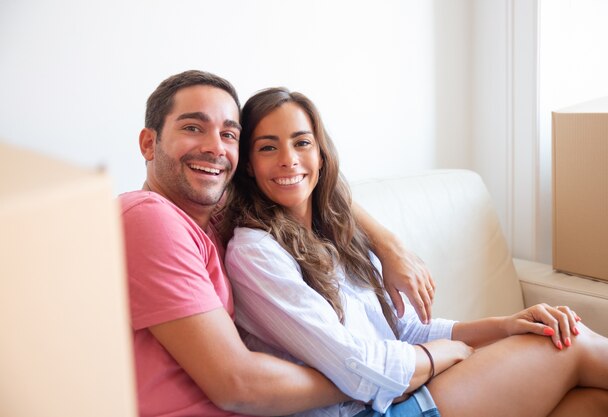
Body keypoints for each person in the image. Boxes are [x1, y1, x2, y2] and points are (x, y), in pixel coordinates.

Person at [223, 87, 608, 417]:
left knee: (599, 404)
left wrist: (506, 325)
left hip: (408, 390)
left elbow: (406, 330)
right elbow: (358, 370)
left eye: (301, 142)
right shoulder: (255, 252)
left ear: (322, 154)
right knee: (569, 343)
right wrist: (441, 356)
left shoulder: (339, 234)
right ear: (249, 166)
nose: (289, 159)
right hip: (371, 410)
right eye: (268, 148)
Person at [119, 70, 440, 416]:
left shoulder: (210, 213)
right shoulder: (150, 217)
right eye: (193, 128)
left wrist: (388, 245)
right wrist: (367, 376)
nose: (215, 148)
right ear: (149, 144)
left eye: (229, 134)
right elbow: (237, 385)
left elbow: (314, 189)